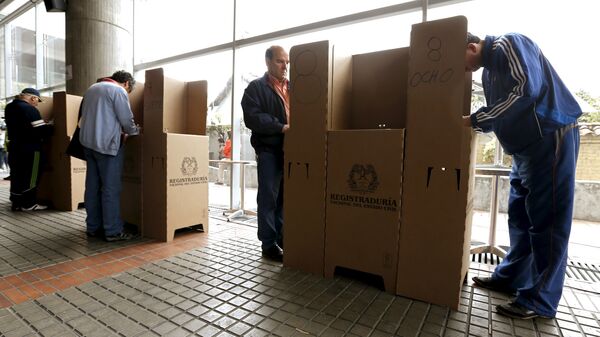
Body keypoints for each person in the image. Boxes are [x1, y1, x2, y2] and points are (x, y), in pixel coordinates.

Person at [464, 33, 581, 319]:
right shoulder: (489, 73)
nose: (461, 70)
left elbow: (525, 92)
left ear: (470, 46)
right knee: (519, 217)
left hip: (550, 136)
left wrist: (475, 119)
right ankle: (512, 277)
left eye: (458, 62)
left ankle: (540, 299)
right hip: (525, 149)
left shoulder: (508, 44)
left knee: (548, 220)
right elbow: (504, 114)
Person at [241, 45, 290, 262]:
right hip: (269, 149)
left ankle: (282, 238)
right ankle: (268, 244)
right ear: (268, 61)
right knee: (268, 197)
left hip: (290, 151)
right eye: (280, 61)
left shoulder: (293, 87)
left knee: (283, 199)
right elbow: (253, 118)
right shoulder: (256, 88)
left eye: (287, 62)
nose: (285, 66)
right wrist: (280, 126)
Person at [79, 70, 140, 242]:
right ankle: (112, 230)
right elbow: (126, 120)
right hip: (106, 145)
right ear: (126, 83)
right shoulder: (118, 91)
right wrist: (135, 131)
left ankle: (93, 227)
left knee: (92, 187)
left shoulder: (92, 88)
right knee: (110, 189)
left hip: (88, 145)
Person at [5, 88, 53, 211]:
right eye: (38, 100)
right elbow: (41, 131)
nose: (37, 103)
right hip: (31, 148)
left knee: (16, 175)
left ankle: (16, 202)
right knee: (32, 175)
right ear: (32, 98)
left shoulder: (9, 107)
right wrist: (51, 125)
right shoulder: (30, 109)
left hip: (15, 148)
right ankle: (28, 204)